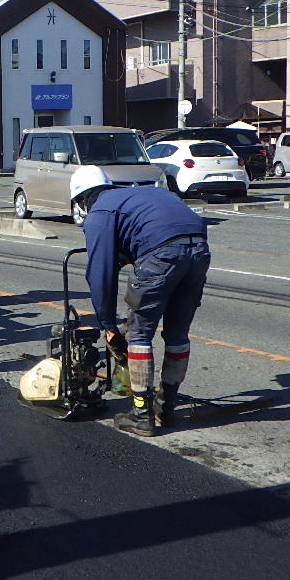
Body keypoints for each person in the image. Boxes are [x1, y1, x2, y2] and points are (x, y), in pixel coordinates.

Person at [70, 166, 211, 436]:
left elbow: (100, 274)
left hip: (162, 252)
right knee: (178, 334)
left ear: (82, 199)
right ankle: (165, 407)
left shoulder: (99, 214)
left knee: (139, 334)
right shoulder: (136, 196)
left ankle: (141, 415)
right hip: (199, 248)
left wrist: (108, 325)